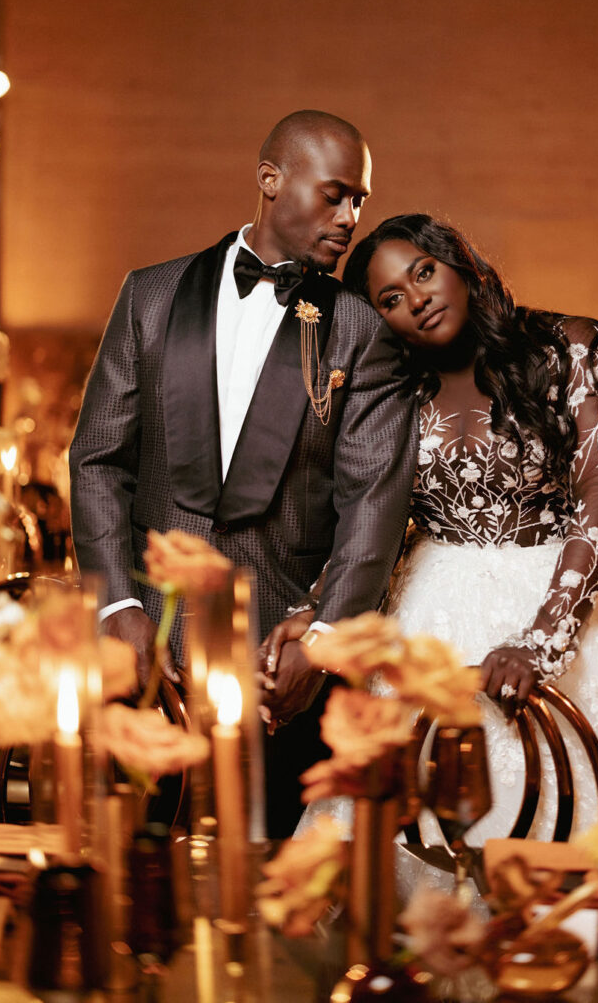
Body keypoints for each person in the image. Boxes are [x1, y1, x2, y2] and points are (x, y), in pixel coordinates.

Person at [283, 213, 598, 857]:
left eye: (424, 272)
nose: (417, 300)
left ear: (460, 263)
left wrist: (543, 642)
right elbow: (375, 519)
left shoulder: (572, 345)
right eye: (391, 299)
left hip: (572, 589)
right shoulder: (390, 388)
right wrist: (315, 611)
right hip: (431, 609)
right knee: (408, 840)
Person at [69, 113, 418, 837]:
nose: (351, 218)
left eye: (359, 199)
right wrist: (114, 609)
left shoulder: (357, 327)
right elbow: (98, 459)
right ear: (269, 180)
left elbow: (372, 505)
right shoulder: (150, 296)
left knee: (269, 892)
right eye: (335, 195)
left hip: (280, 663)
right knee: (135, 876)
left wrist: (319, 638)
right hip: (147, 647)